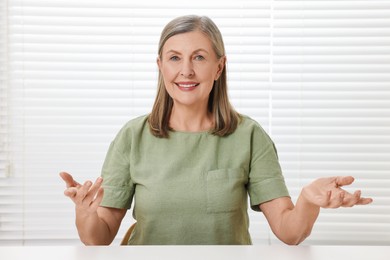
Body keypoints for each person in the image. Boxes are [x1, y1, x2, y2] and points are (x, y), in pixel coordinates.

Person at [60, 15, 373, 245]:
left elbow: (290, 232)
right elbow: (98, 239)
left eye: (199, 57)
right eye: (174, 58)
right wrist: (85, 213)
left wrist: (307, 200)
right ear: (160, 66)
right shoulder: (132, 137)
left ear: (219, 67)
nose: (186, 70)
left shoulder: (249, 136)